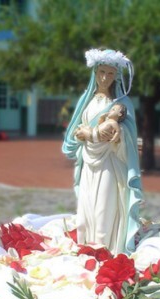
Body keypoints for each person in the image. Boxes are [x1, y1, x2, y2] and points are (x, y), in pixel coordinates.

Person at [62, 48, 143, 254]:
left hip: (110, 163)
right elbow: (77, 130)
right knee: (86, 211)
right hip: (89, 163)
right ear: (95, 73)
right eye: (101, 72)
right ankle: (87, 248)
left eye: (110, 73)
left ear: (116, 76)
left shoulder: (121, 104)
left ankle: (104, 251)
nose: (105, 78)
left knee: (103, 210)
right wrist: (87, 133)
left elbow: (122, 133)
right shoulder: (86, 100)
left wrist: (93, 133)